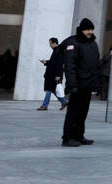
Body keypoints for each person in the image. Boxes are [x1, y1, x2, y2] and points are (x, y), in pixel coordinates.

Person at [60, 18, 100, 146]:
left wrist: (97, 84)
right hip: (78, 85)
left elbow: (95, 65)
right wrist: (72, 85)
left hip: (88, 85)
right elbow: (70, 66)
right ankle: (67, 138)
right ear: (81, 30)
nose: (90, 31)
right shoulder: (73, 43)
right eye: (87, 29)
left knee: (83, 112)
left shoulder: (93, 44)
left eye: (91, 29)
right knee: (73, 112)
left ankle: (79, 135)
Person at [37, 38, 67, 111]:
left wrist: (58, 75)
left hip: (53, 75)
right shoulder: (56, 51)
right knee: (53, 90)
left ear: (54, 43)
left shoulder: (58, 51)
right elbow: (53, 62)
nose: (49, 45)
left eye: (50, 43)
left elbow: (59, 64)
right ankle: (64, 101)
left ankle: (44, 105)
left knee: (49, 89)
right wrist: (46, 62)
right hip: (52, 74)